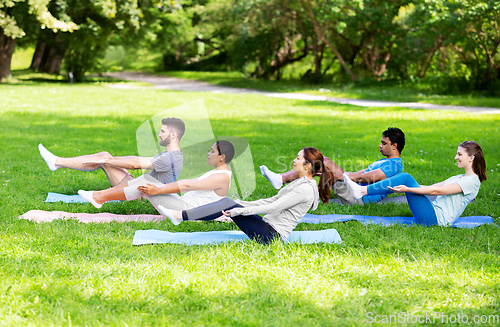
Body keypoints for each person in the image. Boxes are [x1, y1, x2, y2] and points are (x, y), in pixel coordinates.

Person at [158, 147, 333, 244]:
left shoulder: (305, 189)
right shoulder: (300, 182)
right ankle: (180, 216)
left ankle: (179, 216)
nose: (294, 161)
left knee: (229, 205)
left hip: (272, 236)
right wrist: (242, 204)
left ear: (308, 165)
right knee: (229, 202)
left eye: (297, 158)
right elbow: (271, 200)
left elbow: (274, 207)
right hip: (266, 227)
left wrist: (238, 211)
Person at [343, 141, 486, 226]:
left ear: (471, 158)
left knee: (405, 177)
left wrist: (408, 188)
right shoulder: (460, 177)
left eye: (460, 154)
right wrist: (408, 189)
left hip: (435, 220)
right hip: (431, 212)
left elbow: (437, 192)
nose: (456, 157)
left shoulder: (471, 181)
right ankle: (362, 191)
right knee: (405, 179)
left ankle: (362, 191)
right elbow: (431, 188)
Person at [78, 141, 235, 214]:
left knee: (147, 183)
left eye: (212, 151)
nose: (208, 153)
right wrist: (159, 188)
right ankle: (99, 196)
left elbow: (187, 186)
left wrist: (158, 190)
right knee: (148, 180)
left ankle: (99, 198)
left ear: (222, 157)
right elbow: (190, 182)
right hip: (184, 204)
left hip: (186, 211)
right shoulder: (218, 173)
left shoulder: (222, 177)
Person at [260, 127, 406, 205]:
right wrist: (340, 174)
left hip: (359, 198)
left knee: (322, 162)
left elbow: (365, 178)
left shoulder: (394, 165)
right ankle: (284, 184)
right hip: (353, 191)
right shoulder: (385, 162)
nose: (380, 146)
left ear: (394, 146)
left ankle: (281, 179)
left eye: (384, 143)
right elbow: (360, 172)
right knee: (318, 166)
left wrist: (339, 175)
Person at [38, 117, 185, 187]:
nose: (159, 134)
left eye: (163, 131)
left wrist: (107, 161)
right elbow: (136, 159)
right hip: (139, 186)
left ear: (172, 135)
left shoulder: (170, 158)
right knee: (106, 156)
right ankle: (57, 162)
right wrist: (112, 159)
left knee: (103, 157)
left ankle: (57, 162)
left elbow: (135, 164)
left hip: (140, 194)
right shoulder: (173, 156)